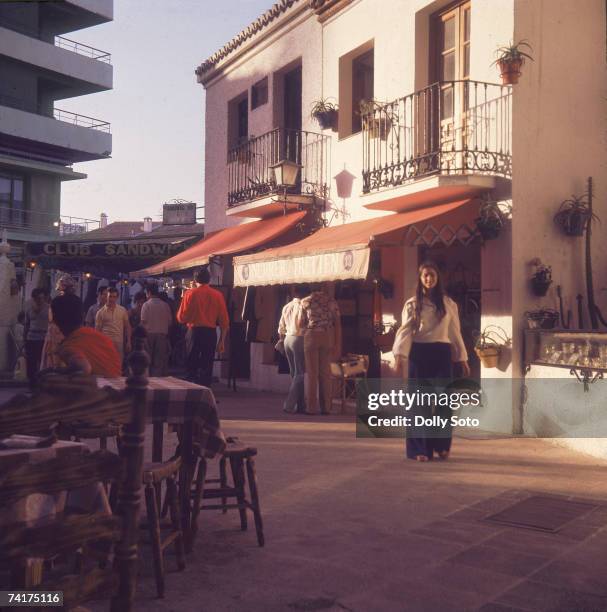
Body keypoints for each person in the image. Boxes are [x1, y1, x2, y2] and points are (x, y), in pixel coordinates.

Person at [393, 260, 470, 462]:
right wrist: (399, 356)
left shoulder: (448, 304)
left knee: (444, 402)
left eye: (432, 275)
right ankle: (420, 449)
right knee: (419, 403)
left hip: (442, 353)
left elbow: (455, 332)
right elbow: (405, 330)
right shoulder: (412, 304)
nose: (429, 279)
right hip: (419, 354)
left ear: (438, 278)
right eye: (425, 275)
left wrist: (462, 357)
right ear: (420, 279)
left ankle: (442, 446)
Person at [177, 266, 229, 387]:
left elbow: (181, 318)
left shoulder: (189, 294)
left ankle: (191, 391)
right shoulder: (218, 295)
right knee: (207, 364)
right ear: (209, 279)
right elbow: (224, 321)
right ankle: (206, 393)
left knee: (191, 363)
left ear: (195, 280)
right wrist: (222, 341)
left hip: (194, 332)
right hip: (210, 333)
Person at [51, 293, 121, 377]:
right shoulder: (100, 337)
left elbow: (84, 368)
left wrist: (57, 372)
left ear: (55, 320)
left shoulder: (69, 346)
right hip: (118, 384)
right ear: (83, 315)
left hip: (101, 387)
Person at [300, 284, 342, 415]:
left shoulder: (305, 301)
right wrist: (337, 342)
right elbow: (337, 322)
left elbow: (301, 322)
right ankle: (326, 408)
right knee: (325, 373)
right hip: (328, 335)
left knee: (312, 373)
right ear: (323, 288)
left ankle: (311, 408)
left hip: (311, 335)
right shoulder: (332, 301)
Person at [278, 284, 309, 414]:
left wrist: (281, 340)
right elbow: (303, 324)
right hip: (299, 339)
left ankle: (301, 405)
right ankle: (289, 404)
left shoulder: (287, 306)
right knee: (300, 374)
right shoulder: (304, 306)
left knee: (294, 373)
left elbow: (280, 328)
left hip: (287, 339)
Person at [41, 274, 76, 369]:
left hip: (56, 334)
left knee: (53, 361)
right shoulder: (77, 301)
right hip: (71, 336)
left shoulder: (56, 301)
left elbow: (51, 318)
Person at [141, 283, 173, 376]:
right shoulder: (165, 305)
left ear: (149, 293)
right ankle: (157, 382)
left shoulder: (146, 305)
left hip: (148, 335)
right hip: (162, 336)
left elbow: (143, 322)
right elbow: (170, 322)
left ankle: (148, 382)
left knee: (147, 361)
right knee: (158, 363)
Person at [95, 286, 131, 362]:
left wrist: (129, 342)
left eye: (114, 297)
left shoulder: (122, 310)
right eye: (110, 296)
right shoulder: (100, 312)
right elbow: (97, 330)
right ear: (106, 297)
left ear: (117, 298)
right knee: (107, 363)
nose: (112, 299)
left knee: (118, 363)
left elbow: (127, 327)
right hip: (106, 342)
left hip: (119, 342)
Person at [24, 288, 49, 384]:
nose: (38, 300)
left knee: (42, 361)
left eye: (40, 298)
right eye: (36, 298)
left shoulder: (49, 309)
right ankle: (32, 381)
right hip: (31, 337)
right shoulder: (29, 309)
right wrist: (24, 338)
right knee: (31, 361)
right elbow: (27, 324)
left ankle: (42, 381)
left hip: (44, 337)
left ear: (44, 298)